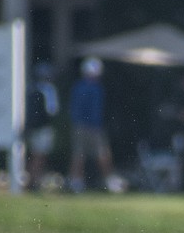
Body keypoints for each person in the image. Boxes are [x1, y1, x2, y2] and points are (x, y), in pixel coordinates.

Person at [68, 57, 120, 193]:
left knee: (79, 154)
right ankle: (108, 181)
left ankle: (76, 181)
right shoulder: (96, 88)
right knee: (101, 154)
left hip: (79, 125)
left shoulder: (78, 86)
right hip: (92, 127)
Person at [25, 63, 59, 191]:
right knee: (39, 156)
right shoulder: (48, 89)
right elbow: (52, 110)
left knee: (34, 155)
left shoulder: (30, 88)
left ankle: (32, 180)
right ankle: (33, 182)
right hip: (43, 127)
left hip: (32, 127)